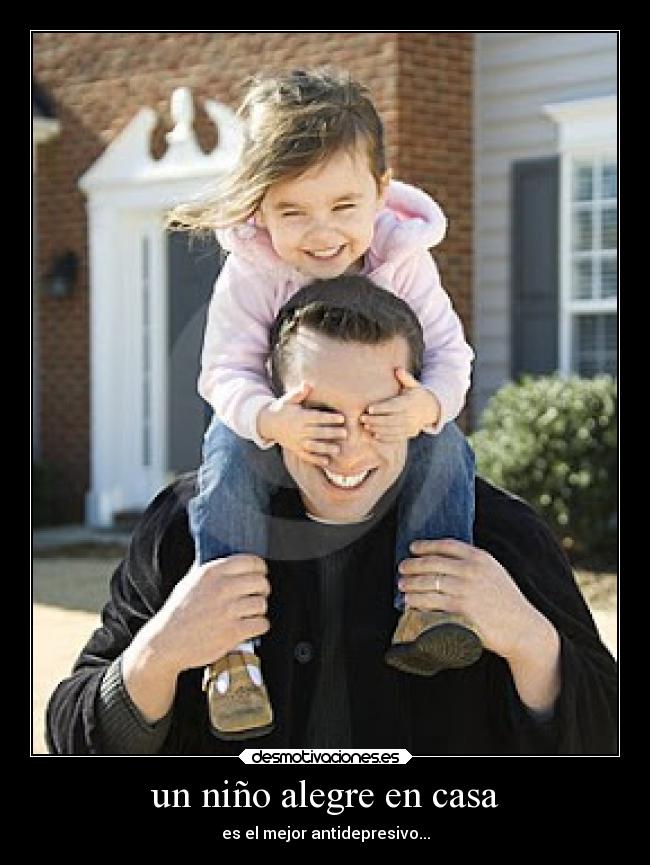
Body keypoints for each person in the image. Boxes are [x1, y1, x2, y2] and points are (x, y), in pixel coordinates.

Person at [46, 277, 618, 756]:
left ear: (419, 409)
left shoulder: (498, 534)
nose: (348, 449)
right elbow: (71, 738)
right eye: (319, 416)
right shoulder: (183, 528)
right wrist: (159, 654)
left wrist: (529, 641)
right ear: (271, 412)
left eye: (378, 415)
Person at [167, 67, 479, 739]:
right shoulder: (253, 267)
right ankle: (231, 649)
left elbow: (454, 356)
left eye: (343, 206)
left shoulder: (402, 256)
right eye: (293, 211)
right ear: (259, 209)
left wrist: (425, 405)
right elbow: (221, 369)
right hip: (284, 425)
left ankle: (429, 607)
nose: (322, 234)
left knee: (449, 444)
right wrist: (268, 418)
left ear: (381, 192)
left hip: (388, 419)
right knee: (225, 447)